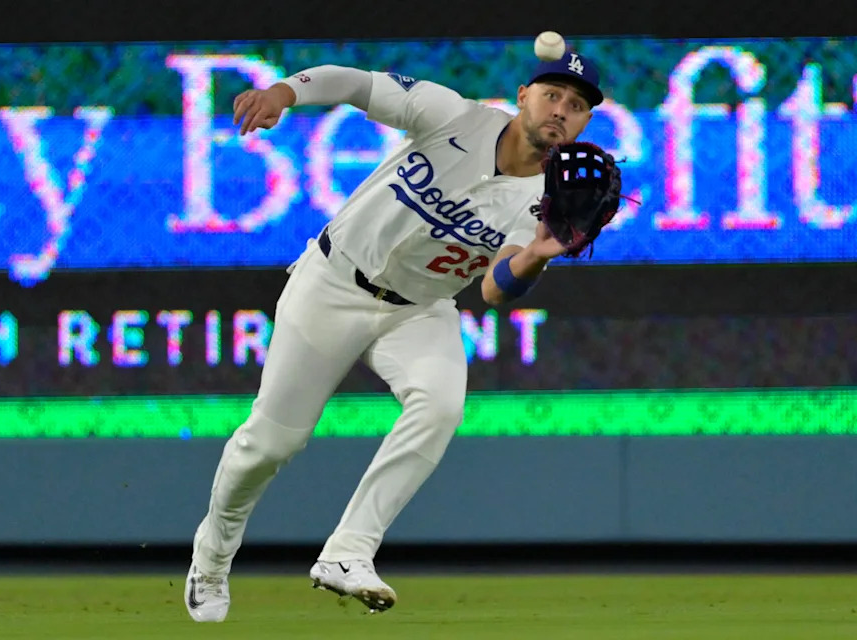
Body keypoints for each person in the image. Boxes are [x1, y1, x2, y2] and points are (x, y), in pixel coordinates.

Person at [185, 51, 606, 622]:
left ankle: (348, 552)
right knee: (269, 444)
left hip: (419, 310)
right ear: (523, 93)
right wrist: (284, 93)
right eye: (553, 95)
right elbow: (353, 84)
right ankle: (212, 556)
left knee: (440, 406)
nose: (562, 110)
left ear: (585, 123)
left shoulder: (546, 202)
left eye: (577, 105)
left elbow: (493, 291)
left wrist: (535, 253)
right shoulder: (452, 115)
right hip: (332, 283)